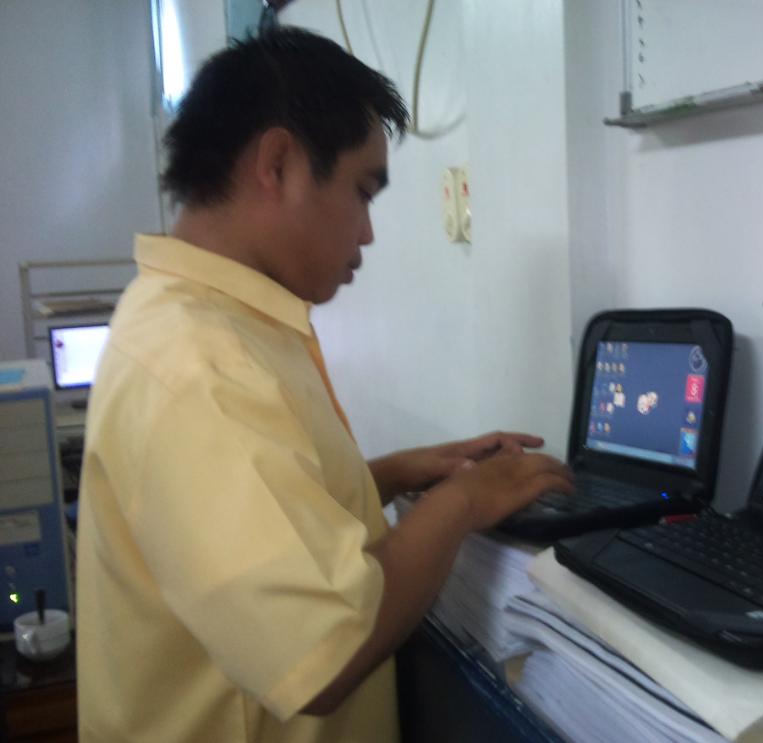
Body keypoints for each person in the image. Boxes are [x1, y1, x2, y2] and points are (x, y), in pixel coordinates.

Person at [75, 26, 573, 743]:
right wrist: (465, 499)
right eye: (362, 191)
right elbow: (325, 651)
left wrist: (392, 475)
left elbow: (253, 516)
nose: (367, 233)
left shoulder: (208, 318)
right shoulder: (197, 363)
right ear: (277, 163)